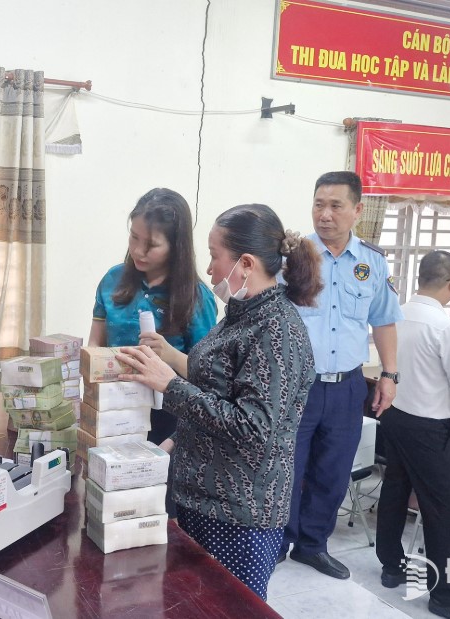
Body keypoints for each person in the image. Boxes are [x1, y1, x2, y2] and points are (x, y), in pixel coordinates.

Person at [115, 203, 322, 600]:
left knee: (229, 607)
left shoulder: (277, 330)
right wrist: (173, 441)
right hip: (200, 498)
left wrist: (169, 385)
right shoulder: (240, 314)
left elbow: (253, 427)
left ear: (245, 263)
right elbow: (218, 391)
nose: (209, 269)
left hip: (238, 513)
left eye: (214, 256)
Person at [280, 171, 404, 579]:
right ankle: (277, 543)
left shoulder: (372, 262)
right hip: (297, 386)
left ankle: (312, 546)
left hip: (347, 387)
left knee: (333, 472)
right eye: (319, 204)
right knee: (287, 468)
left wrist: (389, 375)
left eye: (335, 206)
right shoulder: (292, 258)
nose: (325, 214)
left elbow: (383, 321)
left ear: (357, 210)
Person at [375, 250, 450, 619]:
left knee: (395, 488)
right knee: (444, 508)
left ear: (421, 278)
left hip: (394, 415)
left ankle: (392, 566)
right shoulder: (448, 328)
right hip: (427, 427)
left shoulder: (394, 314)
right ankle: (444, 598)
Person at [88, 188, 217, 460]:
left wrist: (168, 354)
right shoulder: (112, 280)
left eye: (151, 245)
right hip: (114, 412)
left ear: (176, 247)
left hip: (169, 421)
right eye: (134, 237)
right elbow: (95, 344)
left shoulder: (196, 299)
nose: (138, 250)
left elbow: (208, 377)